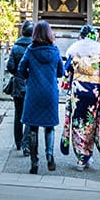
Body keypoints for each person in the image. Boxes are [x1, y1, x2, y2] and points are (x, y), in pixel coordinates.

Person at [63, 24, 100, 169]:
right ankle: (86, 155)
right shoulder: (99, 55)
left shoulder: (75, 53)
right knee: (90, 124)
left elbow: (67, 74)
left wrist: (66, 86)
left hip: (77, 92)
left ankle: (80, 157)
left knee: (78, 123)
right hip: (93, 93)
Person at [17, 20, 63, 173]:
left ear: (35, 33)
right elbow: (60, 72)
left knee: (33, 127)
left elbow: (20, 69)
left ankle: (34, 162)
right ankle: (49, 156)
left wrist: (31, 76)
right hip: (50, 93)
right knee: (49, 127)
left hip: (34, 93)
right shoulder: (55, 51)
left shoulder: (30, 51)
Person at [5, 20, 33, 155]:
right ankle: (26, 144)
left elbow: (9, 66)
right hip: (31, 84)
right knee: (29, 115)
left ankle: (18, 142)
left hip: (18, 83)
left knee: (18, 114)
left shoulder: (16, 48)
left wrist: (17, 73)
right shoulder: (34, 47)